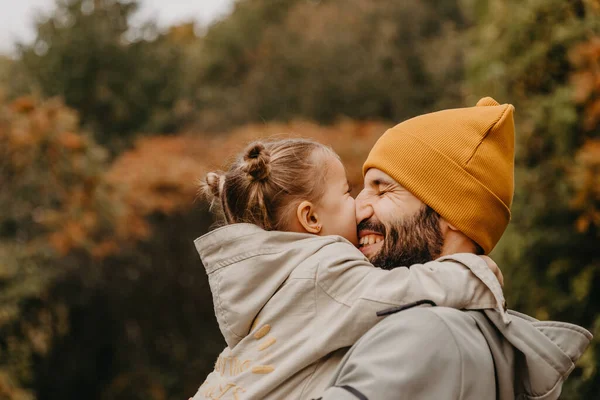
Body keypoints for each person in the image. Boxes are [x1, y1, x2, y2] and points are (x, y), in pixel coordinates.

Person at [317, 97, 593, 400]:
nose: (358, 209)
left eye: (382, 189)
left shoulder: (426, 334)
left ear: (454, 216)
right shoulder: (468, 335)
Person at [190, 138, 505, 399]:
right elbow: (404, 290)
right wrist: (472, 272)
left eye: (380, 191)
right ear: (311, 218)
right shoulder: (324, 269)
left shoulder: (267, 284)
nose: (359, 205)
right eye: (346, 193)